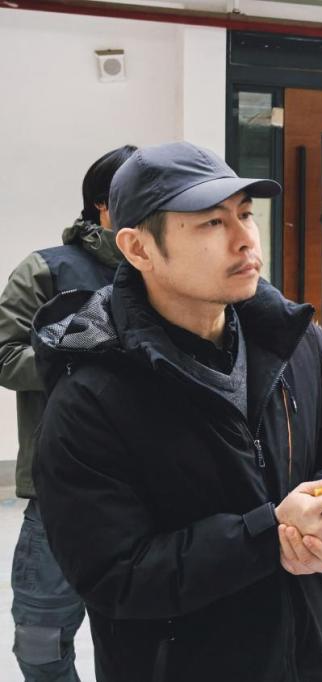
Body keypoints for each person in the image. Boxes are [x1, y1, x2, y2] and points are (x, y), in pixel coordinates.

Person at [31, 142, 322, 681]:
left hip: (313, 655)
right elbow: (115, 575)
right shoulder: (91, 397)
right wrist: (267, 536)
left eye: (245, 214)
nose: (245, 239)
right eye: (212, 223)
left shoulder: (294, 342)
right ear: (138, 248)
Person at [0, 144, 136, 680]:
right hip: (60, 488)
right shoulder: (46, 270)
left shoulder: (166, 270)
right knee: (40, 641)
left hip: (151, 488)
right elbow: (5, 357)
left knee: (147, 634)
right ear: (103, 203)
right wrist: (80, 355)